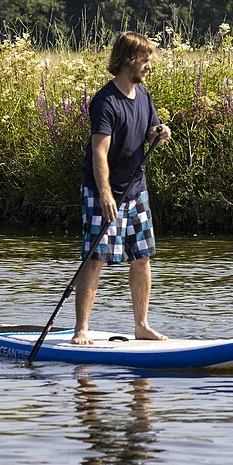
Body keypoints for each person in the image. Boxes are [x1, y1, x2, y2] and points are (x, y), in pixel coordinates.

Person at [73, 31, 172, 346]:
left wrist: (159, 133)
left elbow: (148, 133)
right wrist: (104, 195)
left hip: (135, 191)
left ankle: (142, 326)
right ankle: (81, 330)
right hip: (103, 191)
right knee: (96, 259)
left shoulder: (143, 96)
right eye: (145, 59)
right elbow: (99, 153)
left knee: (141, 258)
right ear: (129, 60)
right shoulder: (105, 101)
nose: (148, 66)